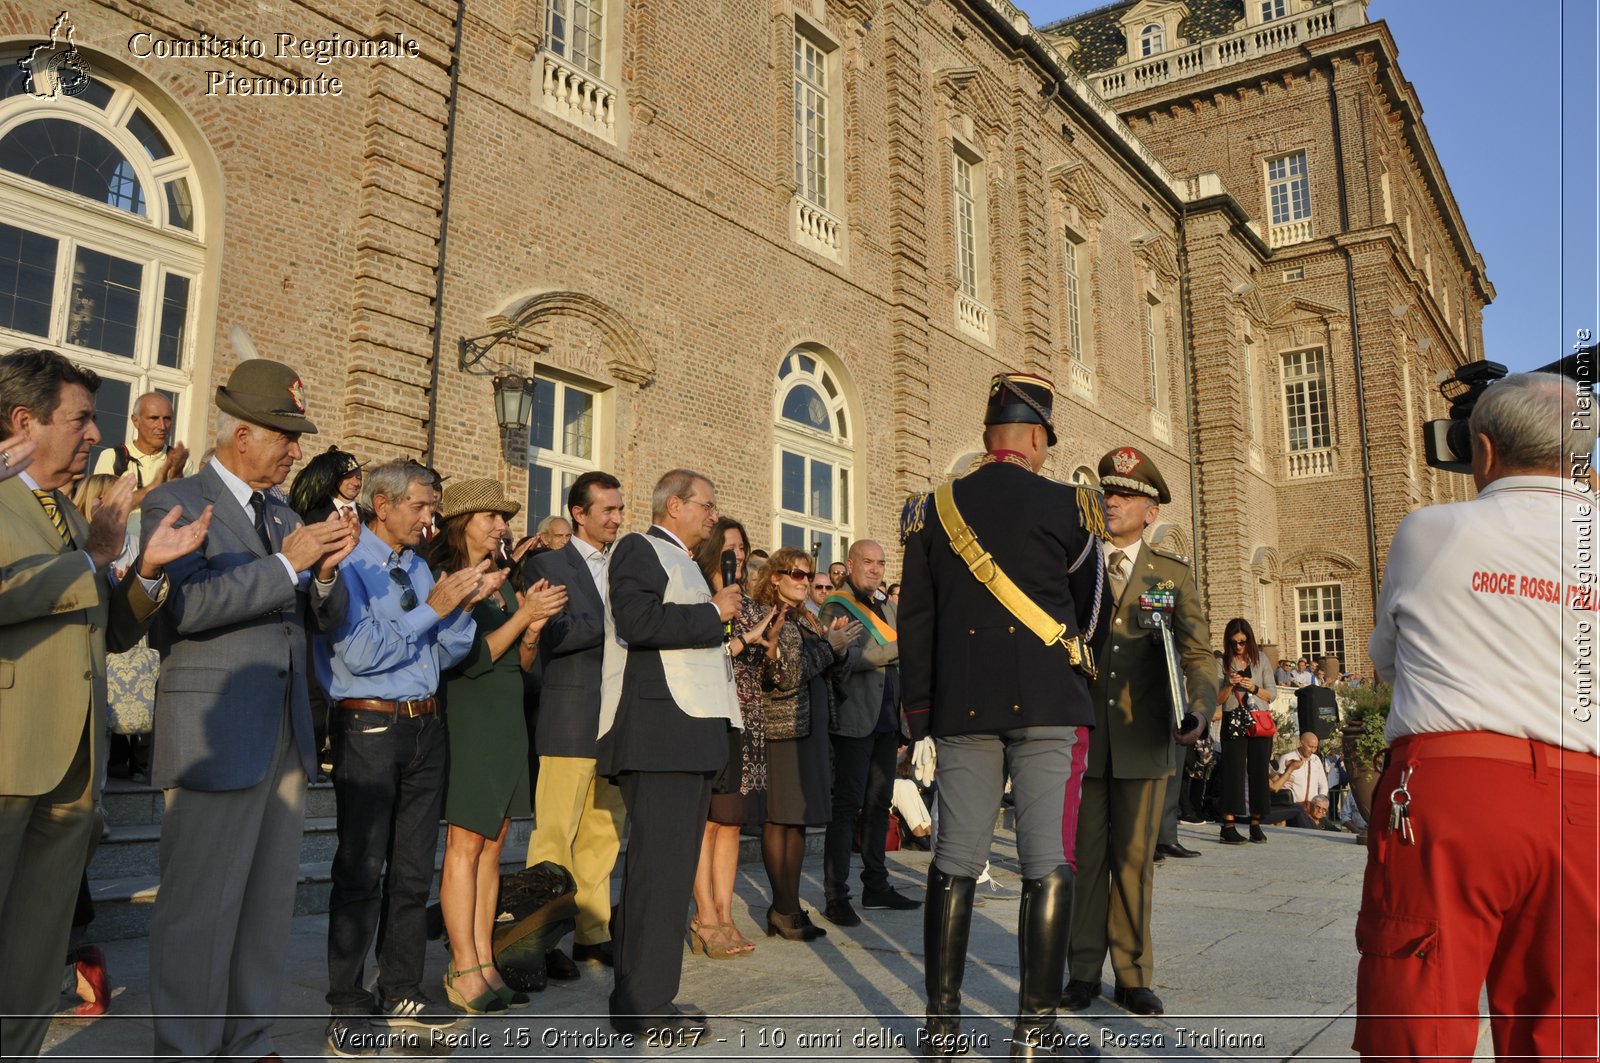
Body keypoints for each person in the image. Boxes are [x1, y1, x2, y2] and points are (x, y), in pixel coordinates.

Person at [1356, 372, 1597, 1062]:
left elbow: (1388, 660)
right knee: (1560, 1025)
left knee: (1419, 1014)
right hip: (1581, 800)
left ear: (1481, 452)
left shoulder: (1432, 531)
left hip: (1456, 793)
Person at [141, 359, 356, 1062]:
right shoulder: (173, 499)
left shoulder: (286, 513)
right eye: (285, 435)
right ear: (241, 435)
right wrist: (287, 566)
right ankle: (186, 1046)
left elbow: (324, 618)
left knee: (265, 909)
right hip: (216, 735)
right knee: (199, 911)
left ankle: (247, 1038)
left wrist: (323, 575)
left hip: (286, 736)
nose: (297, 450)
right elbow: (190, 606)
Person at [899, 372, 1107, 1060]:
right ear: (1038, 439)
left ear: (990, 438)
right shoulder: (1071, 505)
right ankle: (1033, 1031)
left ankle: (941, 1027)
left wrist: (921, 711)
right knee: (1046, 861)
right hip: (1049, 701)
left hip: (961, 706)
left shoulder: (933, 510)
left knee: (956, 860)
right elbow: (1092, 614)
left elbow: (917, 619)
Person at [0, 348, 197, 1060]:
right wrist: (90, 560)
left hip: (72, 775)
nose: (94, 435)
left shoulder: (68, 510)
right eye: (81, 420)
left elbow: (110, 629)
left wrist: (140, 568)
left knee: (32, 960)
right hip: (8, 764)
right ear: (25, 421)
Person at [318, 459, 499, 1053]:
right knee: (360, 868)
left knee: (414, 867)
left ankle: (401, 985)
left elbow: (441, 655)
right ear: (383, 504)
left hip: (425, 726)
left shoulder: (419, 567)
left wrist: (465, 603)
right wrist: (435, 607)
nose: (431, 516)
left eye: (434, 505)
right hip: (368, 723)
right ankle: (347, 1001)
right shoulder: (349, 564)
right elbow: (363, 653)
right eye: (421, 505)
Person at [1065, 447, 1213, 1019]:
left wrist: (1199, 710)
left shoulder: (1170, 576)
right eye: (1109, 491)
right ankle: (1081, 971)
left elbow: (1197, 653)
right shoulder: (1078, 569)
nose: (1113, 500)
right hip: (1083, 736)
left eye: (1126, 495)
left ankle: (1131, 973)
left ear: (1151, 512)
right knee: (1085, 858)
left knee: (1132, 862)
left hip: (1145, 738)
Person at [598, 469, 742, 1036]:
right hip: (661, 733)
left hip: (685, 734)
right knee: (660, 877)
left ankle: (642, 1000)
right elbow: (638, 621)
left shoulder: (684, 560)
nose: (713, 516)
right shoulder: (641, 547)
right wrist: (714, 613)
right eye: (706, 505)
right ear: (675, 505)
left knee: (662, 873)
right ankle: (648, 1008)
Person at [431, 478, 566, 1013]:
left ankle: (486, 959)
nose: (501, 526)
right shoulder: (450, 580)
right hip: (470, 716)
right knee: (465, 845)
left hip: (508, 715)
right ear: (464, 522)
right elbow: (470, 658)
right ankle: (461, 965)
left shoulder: (504, 579)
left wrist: (532, 628)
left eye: (503, 518)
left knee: (495, 846)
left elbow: (519, 663)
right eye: (491, 517)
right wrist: (521, 618)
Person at [523, 471, 627, 980]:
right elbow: (555, 635)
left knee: (603, 835)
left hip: (619, 723)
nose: (616, 518)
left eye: (619, 508)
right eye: (606, 509)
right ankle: (539, 940)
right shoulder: (547, 563)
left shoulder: (627, 564)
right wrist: (620, 620)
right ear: (578, 513)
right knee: (554, 835)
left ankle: (593, 934)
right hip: (568, 717)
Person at [754, 547, 855, 942]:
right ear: (775, 577)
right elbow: (783, 675)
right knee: (779, 819)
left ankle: (788, 905)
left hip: (810, 726)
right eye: (795, 574)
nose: (804, 581)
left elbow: (828, 670)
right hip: (782, 730)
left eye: (807, 574)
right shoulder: (768, 614)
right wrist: (830, 647)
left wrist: (838, 648)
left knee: (796, 822)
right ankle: (784, 908)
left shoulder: (807, 615)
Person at [819, 539, 919, 927]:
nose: (876, 569)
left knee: (879, 806)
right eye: (868, 562)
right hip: (854, 719)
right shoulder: (836, 605)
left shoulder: (887, 606)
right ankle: (836, 894)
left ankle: (876, 884)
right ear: (850, 564)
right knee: (846, 808)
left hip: (887, 720)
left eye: (880, 563)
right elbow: (846, 657)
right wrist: (896, 650)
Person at [688, 518, 776, 958]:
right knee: (705, 823)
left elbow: (770, 668)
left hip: (747, 718)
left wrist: (773, 642)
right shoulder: (700, 596)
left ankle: (725, 913)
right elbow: (699, 655)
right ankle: (704, 916)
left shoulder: (750, 603)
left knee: (731, 823)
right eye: (730, 548)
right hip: (709, 715)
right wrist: (744, 641)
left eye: (743, 549)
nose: (738, 556)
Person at [1213, 618, 1277, 844]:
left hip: (1258, 719)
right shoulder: (1222, 663)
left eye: (1242, 642)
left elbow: (1272, 694)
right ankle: (1228, 825)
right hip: (1233, 719)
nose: (1238, 647)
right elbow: (1218, 700)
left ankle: (1256, 824)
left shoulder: (1261, 661)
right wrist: (1229, 684)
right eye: (1234, 643)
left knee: (1259, 770)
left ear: (1249, 640)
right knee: (1233, 770)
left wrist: (1254, 687)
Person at [91, 391, 190, 503]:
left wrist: (177, 477)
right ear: (135, 421)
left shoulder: (182, 463)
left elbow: (191, 508)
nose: (162, 426)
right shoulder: (112, 457)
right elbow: (99, 508)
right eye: (154, 418)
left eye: (167, 419)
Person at [291, 445, 365, 524]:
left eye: (358, 478)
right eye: (348, 477)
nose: (356, 483)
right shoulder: (313, 514)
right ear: (335, 479)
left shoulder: (368, 518)